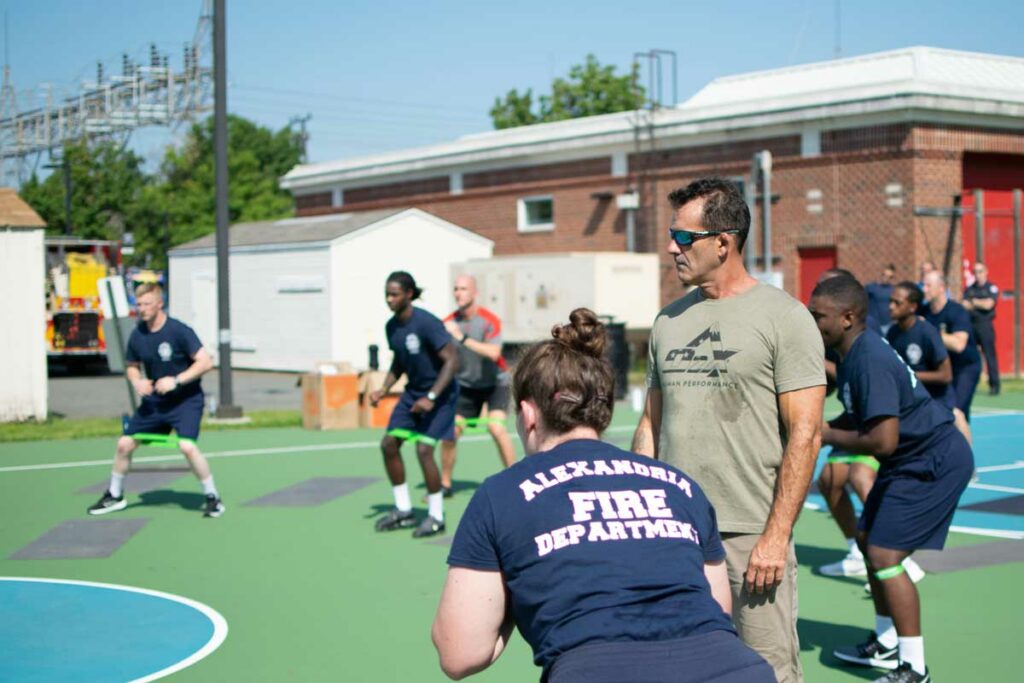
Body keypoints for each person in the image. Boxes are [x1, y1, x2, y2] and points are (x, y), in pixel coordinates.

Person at [432, 309, 774, 683]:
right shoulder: (679, 485)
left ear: (528, 414)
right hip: (736, 670)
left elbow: (460, 654)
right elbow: (717, 609)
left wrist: (516, 598)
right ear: (603, 413)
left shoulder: (502, 495)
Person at [632, 177, 826, 683]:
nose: (672, 248)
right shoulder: (667, 322)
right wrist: (642, 518)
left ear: (723, 242)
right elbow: (650, 425)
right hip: (675, 534)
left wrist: (776, 536)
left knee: (766, 670)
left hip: (750, 536)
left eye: (683, 237)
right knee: (680, 664)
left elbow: (806, 435)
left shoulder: (785, 318)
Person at [811, 276, 973, 683]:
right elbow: (859, 418)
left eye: (818, 316)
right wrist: (818, 427)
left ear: (847, 318)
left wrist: (822, 434)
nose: (811, 321)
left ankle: (914, 668)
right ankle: (885, 643)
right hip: (910, 459)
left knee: (885, 557)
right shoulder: (851, 354)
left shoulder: (868, 360)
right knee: (868, 541)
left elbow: (882, 440)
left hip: (933, 460)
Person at [87, 283, 224, 518]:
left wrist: (177, 380)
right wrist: (137, 381)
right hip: (156, 404)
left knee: (187, 446)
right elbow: (131, 366)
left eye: (147, 304)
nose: (142, 309)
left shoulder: (179, 331)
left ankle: (213, 498)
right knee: (124, 444)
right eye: (138, 304)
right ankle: (115, 495)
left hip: (185, 401)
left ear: (160, 304)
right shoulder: (138, 334)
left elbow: (205, 362)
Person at [369, 271, 459, 538]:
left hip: (441, 395)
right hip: (412, 394)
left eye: (394, 294)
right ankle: (404, 510)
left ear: (409, 294)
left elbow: (453, 361)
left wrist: (430, 397)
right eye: (387, 294)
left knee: (423, 450)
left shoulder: (427, 324)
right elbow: (399, 362)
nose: (389, 299)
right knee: (389, 444)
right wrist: (384, 389)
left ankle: (436, 516)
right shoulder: (391, 326)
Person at [438, 274, 517, 497]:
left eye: (463, 288)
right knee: (451, 432)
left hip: (496, 383)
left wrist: (461, 338)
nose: (458, 293)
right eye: (455, 289)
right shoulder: (448, 322)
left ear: (475, 293)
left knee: (496, 427)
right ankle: (445, 485)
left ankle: (516, 479)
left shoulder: (488, 320)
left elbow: (494, 353)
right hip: (465, 387)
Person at [922, 271, 982, 428]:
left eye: (928, 286)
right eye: (924, 285)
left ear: (941, 287)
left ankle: (962, 450)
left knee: (956, 411)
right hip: (943, 369)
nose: (924, 289)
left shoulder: (956, 311)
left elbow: (958, 344)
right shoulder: (923, 313)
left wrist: (930, 331)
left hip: (965, 367)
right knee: (942, 412)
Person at [963, 262, 1000, 396]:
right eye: (975, 272)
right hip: (972, 324)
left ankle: (994, 385)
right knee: (970, 356)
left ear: (986, 272)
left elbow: (988, 304)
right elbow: (964, 304)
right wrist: (979, 303)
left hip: (985, 325)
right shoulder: (970, 289)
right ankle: (971, 383)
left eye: (980, 271)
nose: (977, 274)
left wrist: (973, 302)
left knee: (989, 355)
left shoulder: (991, 288)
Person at [865, 263, 897, 334]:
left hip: (888, 325)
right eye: (884, 275)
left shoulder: (894, 290)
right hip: (873, 325)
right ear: (881, 274)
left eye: (890, 277)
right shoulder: (871, 287)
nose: (886, 278)